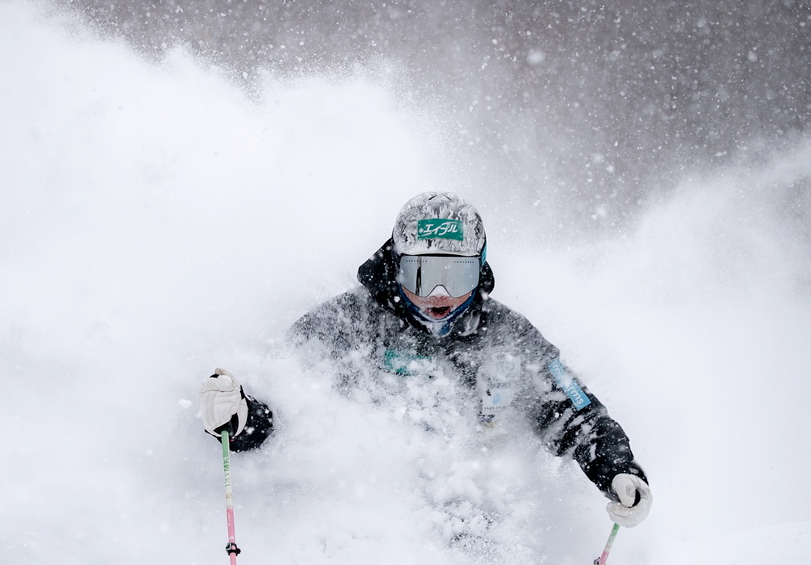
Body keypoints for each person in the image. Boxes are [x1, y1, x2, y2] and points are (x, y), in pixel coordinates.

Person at [198, 191, 652, 529]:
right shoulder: (349, 323)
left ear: (481, 270)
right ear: (395, 265)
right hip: (364, 519)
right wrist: (240, 417)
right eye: (422, 274)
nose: (439, 295)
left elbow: (574, 412)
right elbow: (280, 399)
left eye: (457, 276)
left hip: (471, 525)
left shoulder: (507, 336)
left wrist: (616, 468)